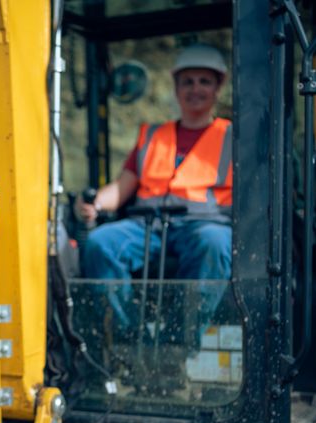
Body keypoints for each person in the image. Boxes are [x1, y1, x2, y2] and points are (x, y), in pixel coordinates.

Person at [76, 43, 232, 332]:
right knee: (101, 243)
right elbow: (122, 187)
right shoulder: (153, 136)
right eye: (187, 81)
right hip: (147, 226)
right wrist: (94, 203)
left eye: (204, 81)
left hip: (204, 225)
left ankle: (183, 338)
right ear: (176, 87)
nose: (195, 89)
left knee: (215, 243)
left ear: (217, 87)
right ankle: (128, 337)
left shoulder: (233, 137)